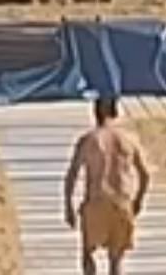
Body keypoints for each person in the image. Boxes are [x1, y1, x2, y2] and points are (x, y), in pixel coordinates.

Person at [63, 98, 151, 275]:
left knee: (88, 252)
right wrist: (139, 200)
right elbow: (145, 174)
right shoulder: (129, 140)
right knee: (116, 258)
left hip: (96, 200)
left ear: (95, 114)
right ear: (116, 112)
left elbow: (72, 175)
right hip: (122, 201)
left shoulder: (89, 140)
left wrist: (69, 207)